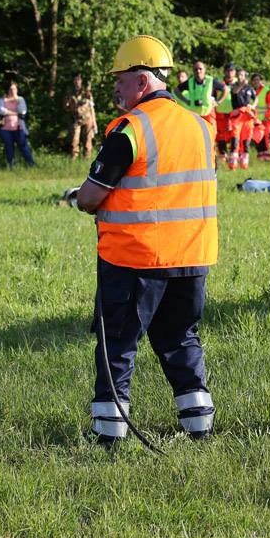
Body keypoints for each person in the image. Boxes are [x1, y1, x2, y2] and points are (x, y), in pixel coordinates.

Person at [68, 35, 218, 447]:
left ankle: (109, 435)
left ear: (140, 79)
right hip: (192, 256)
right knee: (181, 339)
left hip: (136, 258)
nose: (115, 87)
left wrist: (78, 199)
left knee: (117, 343)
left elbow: (91, 196)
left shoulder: (130, 130)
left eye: (119, 78)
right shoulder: (200, 127)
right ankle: (199, 425)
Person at [0, 82, 35, 167]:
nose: (13, 91)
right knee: (9, 147)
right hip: (5, 129)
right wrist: (15, 113)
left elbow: (23, 111)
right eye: (11, 89)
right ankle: (10, 165)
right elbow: (1, 110)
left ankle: (31, 164)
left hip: (19, 128)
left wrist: (9, 112)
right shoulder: (2, 100)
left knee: (23, 146)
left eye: (15, 89)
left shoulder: (20, 99)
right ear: (7, 90)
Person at [175, 60, 222, 125]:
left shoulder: (211, 80)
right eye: (195, 69)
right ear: (193, 71)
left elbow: (225, 89)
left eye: (200, 69)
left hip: (209, 113)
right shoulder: (190, 82)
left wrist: (219, 101)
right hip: (195, 115)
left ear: (204, 70)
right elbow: (176, 90)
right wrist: (185, 101)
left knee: (211, 133)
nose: (198, 71)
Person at [63, 74, 97, 159]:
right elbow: (65, 107)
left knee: (88, 140)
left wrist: (94, 122)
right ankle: (74, 158)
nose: (77, 81)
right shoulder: (69, 93)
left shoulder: (87, 92)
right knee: (74, 140)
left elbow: (92, 107)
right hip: (75, 119)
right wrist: (68, 105)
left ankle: (87, 158)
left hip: (88, 118)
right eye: (75, 79)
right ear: (73, 81)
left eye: (79, 79)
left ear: (81, 81)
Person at [228, 71, 257, 169]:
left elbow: (256, 98)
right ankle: (233, 162)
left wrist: (253, 106)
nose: (240, 77)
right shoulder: (234, 85)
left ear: (245, 76)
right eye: (239, 75)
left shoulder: (249, 88)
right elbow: (235, 92)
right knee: (235, 138)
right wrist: (241, 85)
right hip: (237, 115)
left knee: (246, 139)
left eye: (242, 75)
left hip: (248, 115)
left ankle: (244, 162)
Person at [213, 63, 239, 166]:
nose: (229, 73)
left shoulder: (239, 83)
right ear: (224, 72)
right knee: (221, 136)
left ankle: (233, 158)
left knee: (234, 134)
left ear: (235, 72)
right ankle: (223, 156)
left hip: (234, 114)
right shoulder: (218, 83)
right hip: (220, 113)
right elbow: (213, 97)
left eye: (232, 71)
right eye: (228, 70)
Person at [249, 72, 270, 161]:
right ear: (252, 82)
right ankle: (261, 157)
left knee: (265, 137)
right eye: (254, 80)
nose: (256, 81)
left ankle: (267, 157)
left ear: (261, 81)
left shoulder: (267, 91)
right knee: (257, 137)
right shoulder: (250, 91)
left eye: (258, 79)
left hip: (265, 119)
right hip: (255, 119)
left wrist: (266, 116)